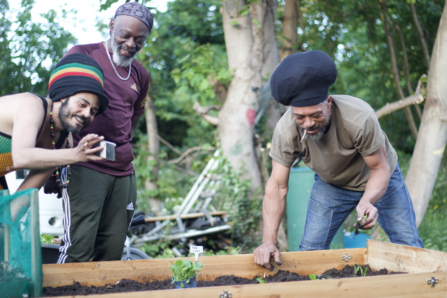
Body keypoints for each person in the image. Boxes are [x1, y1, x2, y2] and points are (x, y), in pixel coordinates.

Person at [253, 50, 423, 270]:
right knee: (310, 253)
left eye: (315, 115)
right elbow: (276, 186)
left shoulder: (359, 118)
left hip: (379, 179)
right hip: (332, 184)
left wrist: (367, 201)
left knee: (408, 246)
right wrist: (268, 241)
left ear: (328, 102)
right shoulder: (286, 131)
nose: (308, 123)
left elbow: (380, 167)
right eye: (300, 117)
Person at [57, 2, 153, 263]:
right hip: (85, 163)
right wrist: (56, 157)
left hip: (123, 171)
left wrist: (123, 142)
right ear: (112, 27)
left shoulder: (141, 75)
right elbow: (58, 105)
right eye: (125, 35)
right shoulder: (83, 54)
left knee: (112, 251)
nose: (131, 43)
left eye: (139, 39)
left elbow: (135, 113)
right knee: (79, 247)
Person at [0, 52, 109, 194]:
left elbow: (25, 195)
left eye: (93, 111)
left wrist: (9, 216)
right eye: (82, 104)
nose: (87, 114)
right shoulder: (32, 105)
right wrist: (76, 154)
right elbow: (21, 157)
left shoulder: (62, 143)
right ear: (63, 95)